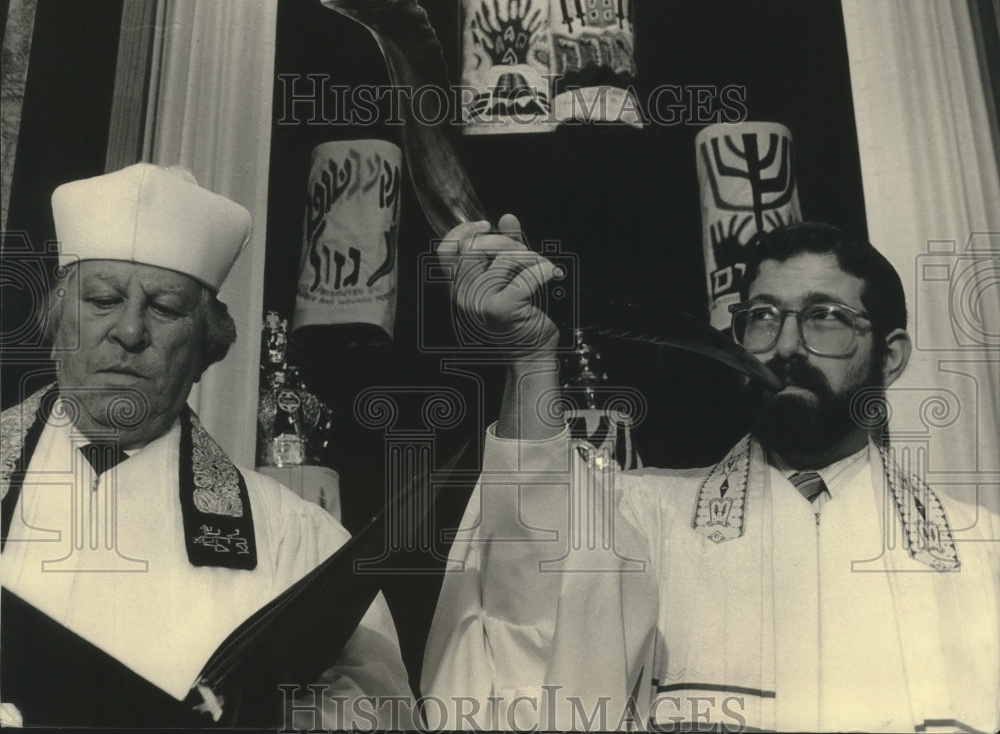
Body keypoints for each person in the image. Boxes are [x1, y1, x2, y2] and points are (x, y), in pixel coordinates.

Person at [421, 215, 1000, 732]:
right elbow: (530, 619)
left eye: (826, 318)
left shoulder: (984, 556)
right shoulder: (643, 519)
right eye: (762, 317)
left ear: (891, 357)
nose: (786, 345)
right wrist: (528, 358)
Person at [0, 163, 415, 728]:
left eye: (165, 309)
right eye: (102, 300)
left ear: (205, 349)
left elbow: (378, 710)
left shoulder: (296, 542)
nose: (129, 331)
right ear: (55, 324)